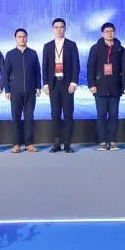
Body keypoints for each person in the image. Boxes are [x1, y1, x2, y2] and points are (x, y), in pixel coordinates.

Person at [42, 18, 80, 153]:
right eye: (56, 27)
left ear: (65, 29)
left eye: (61, 27)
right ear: (53, 29)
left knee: (68, 115)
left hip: (67, 84)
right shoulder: (47, 46)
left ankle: (68, 144)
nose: (59, 29)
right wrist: (45, 84)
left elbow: (76, 65)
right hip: (53, 85)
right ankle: (56, 144)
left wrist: (74, 82)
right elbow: (45, 66)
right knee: (55, 115)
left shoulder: (71, 45)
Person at [4, 28, 42, 153]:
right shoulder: (10, 54)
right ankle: (16, 144)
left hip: (31, 91)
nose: (22, 39)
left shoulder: (33, 53)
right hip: (15, 91)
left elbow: (37, 72)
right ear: (15, 38)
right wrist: (7, 90)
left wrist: (38, 87)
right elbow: (5, 73)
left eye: (24, 36)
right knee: (15, 117)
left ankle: (29, 144)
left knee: (29, 117)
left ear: (27, 38)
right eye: (19, 37)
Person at [87, 22, 124, 151]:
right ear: (102, 33)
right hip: (100, 87)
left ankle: (113, 140)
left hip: (115, 87)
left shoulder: (120, 48)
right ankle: (102, 141)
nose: (109, 33)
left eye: (112, 31)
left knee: (114, 115)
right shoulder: (95, 48)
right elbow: (90, 67)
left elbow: (124, 69)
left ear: (115, 33)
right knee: (101, 115)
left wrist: (123, 86)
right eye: (107, 31)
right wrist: (91, 84)